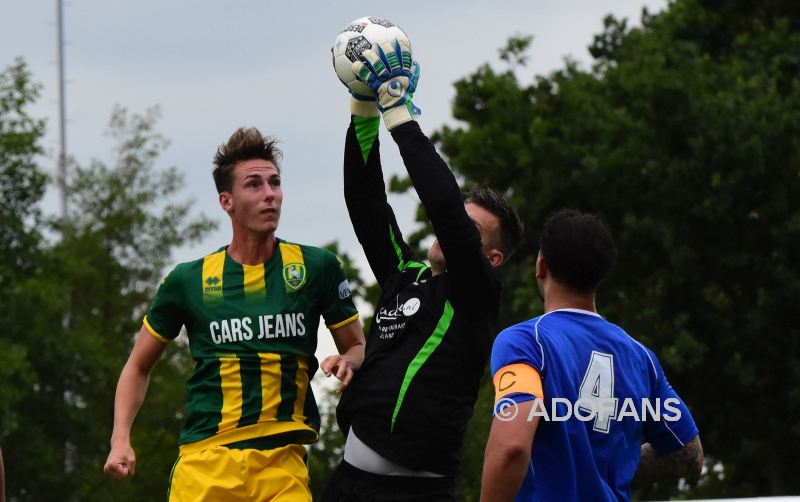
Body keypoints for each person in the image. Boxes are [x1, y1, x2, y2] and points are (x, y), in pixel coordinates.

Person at [103, 128, 365, 501]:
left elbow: (357, 344)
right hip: (206, 462)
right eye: (254, 185)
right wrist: (120, 440)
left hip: (283, 463)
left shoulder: (317, 267)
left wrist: (349, 360)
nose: (269, 194)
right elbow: (137, 366)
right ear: (226, 201)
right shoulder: (188, 280)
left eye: (274, 182)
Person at [322, 38, 524, 501]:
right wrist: (364, 108)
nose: (449, 228)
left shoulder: (476, 292)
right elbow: (366, 203)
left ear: (490, 258)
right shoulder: (404, 274)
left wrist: (399, 112)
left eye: (471, 230)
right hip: (348, 485)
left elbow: (445, 210)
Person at [481, 209, 703, 501]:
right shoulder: (641, 358)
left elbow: (513, 447)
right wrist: (612, 470)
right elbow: (689, 453)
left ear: (541, 265)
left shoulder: (525, 342)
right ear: (601, 275)